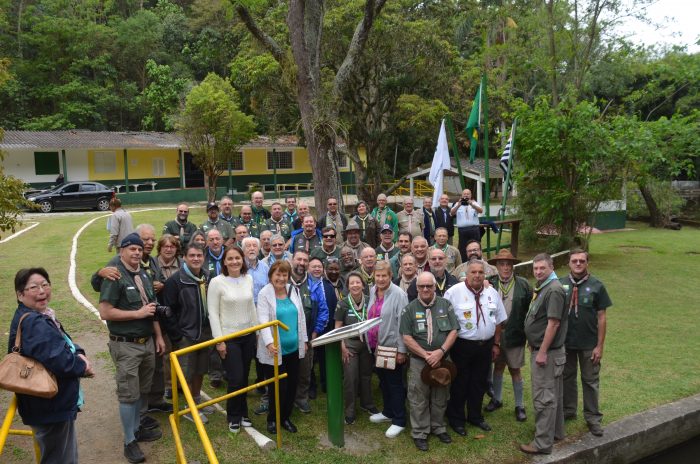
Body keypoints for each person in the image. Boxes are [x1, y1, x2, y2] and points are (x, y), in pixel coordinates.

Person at [9, 267, 94, 464]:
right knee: (59, 458)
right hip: (49, 405)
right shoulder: (34, 322)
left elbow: (62, 342)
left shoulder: (39, 315)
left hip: (48, 404)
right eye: (33, 287)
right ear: (20, 294)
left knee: (61, 453)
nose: (42, 291)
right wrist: (83, 367)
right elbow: (60, 359)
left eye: (45, 285)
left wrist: (78, 352)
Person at [98, 233, 165, 464]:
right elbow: (105, 312)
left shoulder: (144, 275)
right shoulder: (115, 276)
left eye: (139, 249)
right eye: (132, 249)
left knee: (142, 390)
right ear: (121, 251)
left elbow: (152, 309)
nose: (136, 252)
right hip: (126, 345)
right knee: (128, 394)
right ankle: (129, 441)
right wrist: (137, 314)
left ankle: (137, 428)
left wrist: (158, 336)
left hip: (147, 342)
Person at [444, 260, 506, 437]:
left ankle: (475, 416)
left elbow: (498, 320)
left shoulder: (492, 293)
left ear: (484, 274)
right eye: (474, 272)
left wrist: (496, 343)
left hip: (485, 346)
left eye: (481, 272)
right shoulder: (453, 293)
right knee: (460, 383)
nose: (477, 275)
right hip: (462, 346)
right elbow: (445, 320)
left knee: (479, 383)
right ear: (466, 273)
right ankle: (456, 419)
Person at [400, 272, 459, 451]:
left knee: (441, 395)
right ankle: (420, 432)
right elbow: (406, 337)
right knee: (418, 398)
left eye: (429, 286)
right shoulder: (409, 309)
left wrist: (441, 352)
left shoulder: (446, 305)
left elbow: (454, 330)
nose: (425, 289)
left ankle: (438, 427)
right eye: (422, 286)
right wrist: (426, 355)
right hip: (419, 360)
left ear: (434, 287)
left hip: (442, 359)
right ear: (417, 288)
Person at [207, 246, 259, 433]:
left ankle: (243, 413)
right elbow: (213, 313)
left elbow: (252, 307)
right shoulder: (217, 282)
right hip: (229, 338)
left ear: (242, 260)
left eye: (237, 258)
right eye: (230, 258)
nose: (234, 261)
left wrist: (257, 332)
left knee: (244, 377)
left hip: (248, 335)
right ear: (224, 262)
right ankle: (233, 415)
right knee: (235, 378)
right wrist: (219, 341)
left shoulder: (248, 279)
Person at [520, 253, 568, 455]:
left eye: (542, 268)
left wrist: (542, 351)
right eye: (535, 268)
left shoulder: (554, 290)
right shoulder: (545, 286)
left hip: (547, 355)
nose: (538, 272)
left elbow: (553, 323)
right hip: (547, 351)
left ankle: (541, 443)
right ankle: (556, 432)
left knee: (544, 398)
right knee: (553, 394)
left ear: (551, 267)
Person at [561, 249, 612, 437]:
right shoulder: (560, 284)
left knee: (590, 380)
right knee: (567, 378)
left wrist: (600, 346)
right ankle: (568, 410)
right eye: (574, 260)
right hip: (566, 342)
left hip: (589, 344)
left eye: (582, 261)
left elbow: (602, 317)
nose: (578, 264)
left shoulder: (597, 286)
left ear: (587, 263)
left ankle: (592, 418)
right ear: (569, 263)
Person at [161, 243, 213, 424]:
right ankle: (190, 408)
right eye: (192, 255)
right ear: (184, 257)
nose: (196, 259)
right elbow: (168, 312)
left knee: (200, 370)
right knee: (187, 373)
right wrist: (178, 336)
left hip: (205, 332)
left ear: (204, 257)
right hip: (186, 335)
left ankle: (196, 401)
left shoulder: (207, 276)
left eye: (199, 255)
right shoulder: (175, 281)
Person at [256, 260, 307, 434]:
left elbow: (301, 317)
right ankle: (273, 419)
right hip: (275, 350)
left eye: (284, 275)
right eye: (278, 274)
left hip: (293, 348)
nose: (281, 278)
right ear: (271, 275)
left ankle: (285, 417)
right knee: (278, 387)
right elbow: (263, 320)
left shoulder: (293, 290)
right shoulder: (264, 293)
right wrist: (269, 342)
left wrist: (304, 340)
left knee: (292, 385)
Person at [485, 249, 532, 422]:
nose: (505, 267)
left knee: (515, 369)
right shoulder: (489, 283)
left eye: (508, 264)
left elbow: (530, 311)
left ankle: (520, 405)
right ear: (496, 266)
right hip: (495, 335)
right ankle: (497, 399)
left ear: (513, 266)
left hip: (515, 334)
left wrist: (530, 335)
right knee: (498, 366)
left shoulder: (524, 284)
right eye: (501, 264)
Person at [367, 261, 409, 439]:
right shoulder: (372, 291)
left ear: (391, 276)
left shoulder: (399, 294)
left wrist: (402, 350)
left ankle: (399, 420)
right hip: (376, 346)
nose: (381, 279)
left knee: (394, 384)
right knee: (383, 381)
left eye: (384, 275)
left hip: (391, 347)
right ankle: (388, 412)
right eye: (378, 276)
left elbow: (403, 323)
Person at [334, 272, 379, 425]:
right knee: (351, 377)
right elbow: (337, 327)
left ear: (363, 285)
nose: (355, 285)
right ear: (347, 286)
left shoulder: (370, 300)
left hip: (367, 344)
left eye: (358, 282)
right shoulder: (343, 303)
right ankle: (350, 410)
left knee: (366, 375)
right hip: (350, 345)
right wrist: (342, 347)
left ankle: (367, 403)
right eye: (351, 283)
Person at [289, 251, 329, 414]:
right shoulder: (283, 280)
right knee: (287, 369)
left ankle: (301, 399)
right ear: (292, 260)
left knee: (305, 371)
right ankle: (286, 398)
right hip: (287, 335)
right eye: (299, 259)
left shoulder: (314, 284)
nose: (302, 263)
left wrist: (315, 332)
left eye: (305, 260)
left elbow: (323, 310)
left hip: (307, 336)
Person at [450, 189, 483, 262]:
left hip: (474, 229)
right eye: (464, 194)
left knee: (476, 246)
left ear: (470, 195)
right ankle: (464, 263)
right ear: (462, 195)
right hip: (462, 230)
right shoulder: (457, 203)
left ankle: (477, 261)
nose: (466, 195)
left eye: (468, 194)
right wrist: (458, 205)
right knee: (463, 248)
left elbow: (481, 211)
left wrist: (472, 204)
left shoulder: (474, 202)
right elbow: (451, 213)